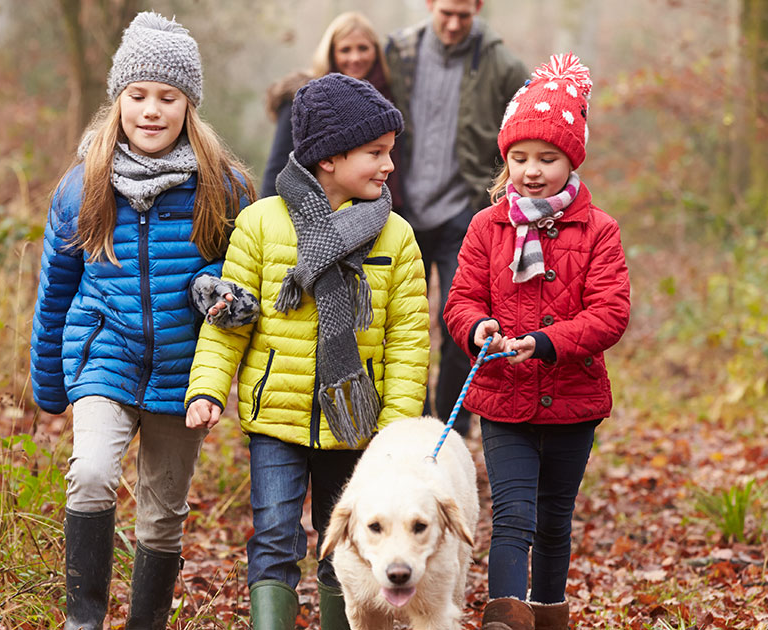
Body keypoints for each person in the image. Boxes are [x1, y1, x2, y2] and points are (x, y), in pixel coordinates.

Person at [29, 12, 257, 630]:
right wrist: (48, 382)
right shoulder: (83, 187)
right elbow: (56, 291)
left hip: (185, 372)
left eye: (167, 97)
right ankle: (83, 620)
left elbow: (247, 283)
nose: (151, 110)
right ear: (117, 99)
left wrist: (229, 303)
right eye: (138, 96)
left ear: (189, 105)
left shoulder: (225, 187)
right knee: (93, 475)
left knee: (161, 512)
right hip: (104, 356)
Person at [184, 74, 429, 630]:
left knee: (345, 539)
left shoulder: (395, 236)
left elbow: (409, 343)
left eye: (390, 152)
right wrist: (206, 388)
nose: (390, 165)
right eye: (376, 153)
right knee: (273, 535)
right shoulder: (261, 224)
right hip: (277, 416)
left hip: (358, 423)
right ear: (329, 158)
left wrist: (396, 434)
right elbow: (229, 322)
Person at [442, 54, 631, 630]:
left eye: (547, 159)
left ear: (570, 161)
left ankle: (549, 616)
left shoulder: (598, 231)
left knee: (553, 518)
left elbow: (610, 313)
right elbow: (461, 300)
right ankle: (503, 617)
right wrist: (478, 328)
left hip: (572, 397)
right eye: (519, 158)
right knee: (514, 514)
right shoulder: (486, 227)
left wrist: (547, 342)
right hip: (504, 397)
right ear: (505, 160)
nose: (531, 171)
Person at [385, 0, 529, 436]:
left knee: (458, 320)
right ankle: (404, 422)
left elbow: (522, 133)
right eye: (445, 12)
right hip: (401, 208)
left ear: (478, 8)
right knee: (397, 321)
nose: (452, 23)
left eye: (462, 15)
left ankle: (447, 425)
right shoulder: (400, 53)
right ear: (429, 4)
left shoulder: (502, 64)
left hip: (463, 212)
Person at [261, 11, 403, 208]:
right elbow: (278, 164)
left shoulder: (390, 97)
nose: (355, 57)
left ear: (376, 51)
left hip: (386, 204)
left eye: (363, 48)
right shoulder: (306, 100)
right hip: (313, 207)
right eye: (345, 50)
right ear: (331, 52)